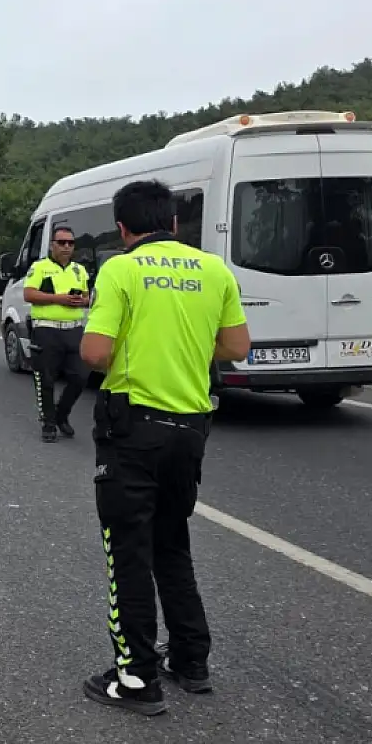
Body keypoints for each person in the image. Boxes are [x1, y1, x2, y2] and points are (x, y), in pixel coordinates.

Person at [77, 180, 250, 716]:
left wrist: (135, 346)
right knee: (171, 543)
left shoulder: (122, 270)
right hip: (190, 429)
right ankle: (191, 662)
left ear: (124, 229)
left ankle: (135, 678)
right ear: (174, 223)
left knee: (127, 551)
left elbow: (95, 352)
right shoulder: (214, 270)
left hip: (134, 431)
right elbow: (238, 347)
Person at [24, 226, 91, 442]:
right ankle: (49, 423)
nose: (66, 247)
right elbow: (29, 294)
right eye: (61, 242)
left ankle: (62, 414)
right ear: (52, 244)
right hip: (47, 329)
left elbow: (88, 297)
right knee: (46, 378)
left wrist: (83, 301)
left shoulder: (79, 270)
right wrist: (59, 299)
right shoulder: (40, 267)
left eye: (70, 243)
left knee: (80, 377)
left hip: (74, 329)